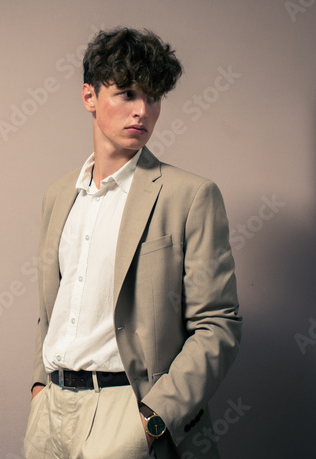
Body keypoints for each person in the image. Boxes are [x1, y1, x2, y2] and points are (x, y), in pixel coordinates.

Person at [24, 27, 242, 459]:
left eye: (153, 97)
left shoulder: (189, 195)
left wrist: (152, 417)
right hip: (50, 412)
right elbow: (54, 309)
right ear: (89, 96)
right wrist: (38, 387)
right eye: (126, 93)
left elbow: (218, 323)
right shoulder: (57, 195)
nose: (142, 110)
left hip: (127, 410)